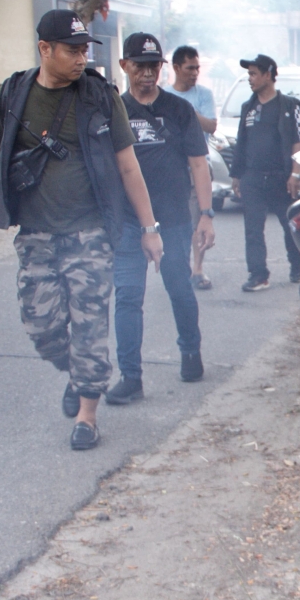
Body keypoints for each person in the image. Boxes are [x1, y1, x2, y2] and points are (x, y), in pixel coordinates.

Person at [0, 9, 163, 451]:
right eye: (72, 51)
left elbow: (128, 165)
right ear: (45, 50)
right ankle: (78, 373)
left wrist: (149, 228)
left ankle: (87, 417)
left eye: (84, 50)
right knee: (42, 326)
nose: (81, 59)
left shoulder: (99, 95)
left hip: (90, 232)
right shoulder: (14, 93)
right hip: (36, 233)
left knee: (90, 323)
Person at [105, 33, 215, 407]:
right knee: (128, 298)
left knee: (179, 287)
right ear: (125, 66)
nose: (148, 74)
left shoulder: (179, 110)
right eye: (140, 66)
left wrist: (206, 214)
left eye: (154, 66)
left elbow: (199, 164)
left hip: (173, 219)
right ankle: (130, 377)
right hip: (129, 223)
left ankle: (190, 352)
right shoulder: (114, 111)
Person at [228, 54, 300, 292]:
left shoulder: (290, 106)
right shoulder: (248, 108)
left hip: (281, 177)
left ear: (269, 75)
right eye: (248, 74)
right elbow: (241, 142)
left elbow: (298, 142)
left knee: (290, 226)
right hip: (252, 177)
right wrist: (236, 175)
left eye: (253, 74)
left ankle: (296, 266)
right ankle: (258, 275)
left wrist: (295, 174)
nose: (249, 79)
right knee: (253, 229)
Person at [165, 45, 218, 290]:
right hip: (173, 170)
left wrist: (187, 112)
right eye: (190, 68)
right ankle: (180, 267)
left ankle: (198, 269)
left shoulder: (203, 95)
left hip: (198, 167)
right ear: (176, 68)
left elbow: (211, 126)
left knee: (199, 220)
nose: (195, 72)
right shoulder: (163, 95)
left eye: (197, 68)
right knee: (177, 221)